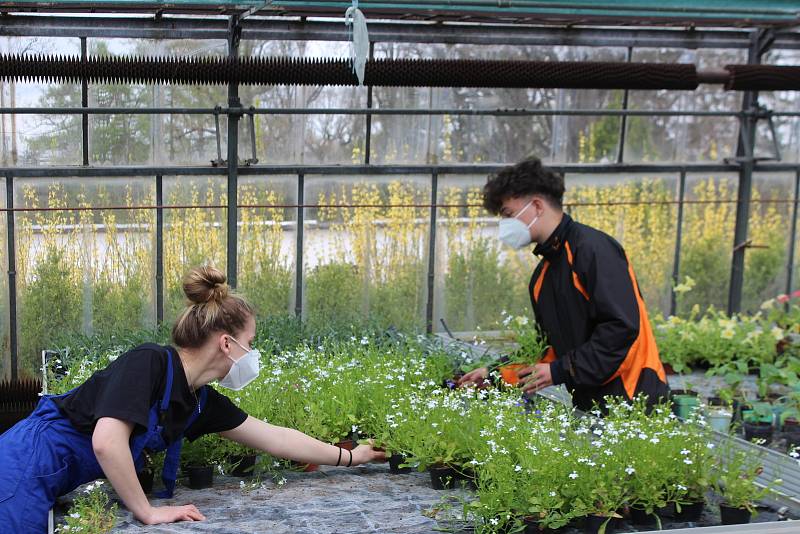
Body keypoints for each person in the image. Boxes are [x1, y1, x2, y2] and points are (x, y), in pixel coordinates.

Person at [0, 266, 385, 532]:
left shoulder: (199, 401)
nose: (252, 355)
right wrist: (147, 512)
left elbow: (275, 437)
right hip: (23, 462)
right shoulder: (149, 362)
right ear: (226, 343)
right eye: (250, 344)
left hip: (50, 476)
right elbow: (106, 441)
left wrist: (351, 456)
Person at [458, 157, 669, 412]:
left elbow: (622, 329)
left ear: (536, 206)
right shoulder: (543, 276)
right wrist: (493, 374)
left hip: (634, 400)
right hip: (590, 404)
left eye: (508, 215)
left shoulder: (593, 250)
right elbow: (547, 349)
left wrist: (561, 370)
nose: (504, 225)